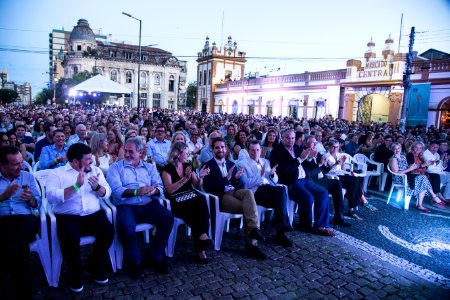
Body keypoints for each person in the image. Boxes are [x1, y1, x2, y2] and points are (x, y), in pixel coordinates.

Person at [46, 143, 114, 293]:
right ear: (76, 161)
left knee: (108, 232)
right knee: (70, 240)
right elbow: (51, 197)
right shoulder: (57, 174)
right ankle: (75, 275)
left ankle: (92, 266)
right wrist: (76, 186)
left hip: (93, 214)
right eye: (88, 159)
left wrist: (97, 188)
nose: (92, 161)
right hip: (68, 216)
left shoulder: (95, 170)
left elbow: (107, 191)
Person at [107, 137, 174, 278]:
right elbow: (117, 191)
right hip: (126, 205)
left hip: (148, 203)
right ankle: (135, 260)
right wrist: (137, 191)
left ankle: (155, 254)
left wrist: (153, 191)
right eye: (125, 151)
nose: (126, 154)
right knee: (126, 226)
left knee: (168, 218)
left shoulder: (149, 167)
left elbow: (160, 187)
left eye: (131, 151)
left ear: (140, 152)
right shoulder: (115, 168)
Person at [203, 137, 267, 259]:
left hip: (234, 191)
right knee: (249, 209)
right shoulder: (208, 165)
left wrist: (236, 178)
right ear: (213, 150)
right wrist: (226, 179)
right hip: (220, 196)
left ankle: (253, 230)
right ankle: (252, 246)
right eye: (217, 147)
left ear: (226, 149)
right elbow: (209, 187)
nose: (220, 150)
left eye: (222, 147)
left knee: (248, 192)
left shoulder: (231, 164)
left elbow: (237, 185)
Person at [269, 129, 335, 236]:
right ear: (282, 138)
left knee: (323, 193)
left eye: (293, 138)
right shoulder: (277, 151)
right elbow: (285, 169)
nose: (291, 140)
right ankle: (306, 225)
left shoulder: (296, 148)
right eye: (288, 138)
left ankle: (321, 225)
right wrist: (300, 159)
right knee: (308, 197)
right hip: (291, 182)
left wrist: (309, 158)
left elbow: (306, 166)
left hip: (305, 179)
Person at [0, 146, 41, 299]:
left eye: (21, 162)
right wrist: (3, 196)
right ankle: (24, 290)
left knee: (13, 236)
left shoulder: (27, 177)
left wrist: (30, 199)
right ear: (3, 166)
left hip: (25, 219)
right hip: (3, 221)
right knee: (17, 243)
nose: (21, 166)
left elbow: (38, 204)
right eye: (16, 164)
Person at [161, 142, 212, 263]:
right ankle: (201, 245)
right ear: (178, 154)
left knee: (200, 199)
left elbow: (197, 185)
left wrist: (202, 177)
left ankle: (202, 238)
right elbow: (170, 190)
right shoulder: (166, 169)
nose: (188, 155)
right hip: (175, 200)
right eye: (186, 153)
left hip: (190, 197)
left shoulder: (187, 165)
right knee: (195, 212)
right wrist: (184, 179)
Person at [237, 141, 294, 246]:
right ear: (248, 151)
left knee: (281, 191)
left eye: (257, 150)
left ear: (261, 150)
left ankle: (281, 232)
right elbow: (245, 184)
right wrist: (261, 176)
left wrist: (272, 174)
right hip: (255, 192)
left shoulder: (265, 161)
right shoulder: (242, 164)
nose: (255, 153)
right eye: (252, 150)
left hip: (269, 190)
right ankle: (282, 231)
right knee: (280, 196)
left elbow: (275, 181)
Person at [301, 136, 351, 226]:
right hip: (311, 181)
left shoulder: (318, 154)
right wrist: (319, 164)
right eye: (313, 143)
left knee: (337, 184)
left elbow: (323, 169)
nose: (315, 145)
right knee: (335, 184)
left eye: (316, 143)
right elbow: (308, 172)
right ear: (306, 144)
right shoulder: (303, 153)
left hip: (322, 178)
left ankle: (339, 215)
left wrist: (322, 165)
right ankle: (323, 221)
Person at [321, 139, 377, 213]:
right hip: (332, 178)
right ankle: (361, 202)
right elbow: (325, 172)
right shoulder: (325, 156)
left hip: (341, 175)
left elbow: (343, 169)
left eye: (337, 147)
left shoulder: (339, 155)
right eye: (333, 147)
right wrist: (336, 164)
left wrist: (343, 163)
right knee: (354, 181)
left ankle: (353, 207)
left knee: (354, 181)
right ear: (329, 147)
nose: (335, 149)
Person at [389, 142, 438, 212]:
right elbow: (396, 173)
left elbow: (408, 167)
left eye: (399, 148)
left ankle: (421, 204)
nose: (397, 150)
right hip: (400, 178)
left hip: (407, 175)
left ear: (401, 148)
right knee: (423, 179)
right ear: (392, 150)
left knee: (423, 179)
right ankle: (432, 197)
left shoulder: (403, 156)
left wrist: (412, 168)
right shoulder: (393, 159)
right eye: (395, 148)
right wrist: (410, 169)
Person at [407, 141, 446, 206]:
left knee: (436, 176)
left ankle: (436, 194)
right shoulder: (410, 155)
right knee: (426, 178)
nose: (418, 149)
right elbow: (411, 167)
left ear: (422, 149)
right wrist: (424, 164)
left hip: (421, 173)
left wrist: (428, 164)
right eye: (416, 147)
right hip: (413, 174)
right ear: (413, 147)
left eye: (420, 148)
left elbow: (426, 167)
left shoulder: (420, 156)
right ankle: (434, 197)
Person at [422, 140, 449, 205]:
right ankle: (437, 195)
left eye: (436, 147)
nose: (434, 149)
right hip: (430, 173)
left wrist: (445, 160)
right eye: (433, 146)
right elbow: (430, 167)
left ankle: (447, 197)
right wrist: (440, 159)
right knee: (437, 176)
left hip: (439, 172)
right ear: (429, 146)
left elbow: (441, 167)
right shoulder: (425, 153)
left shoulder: (437, 154)